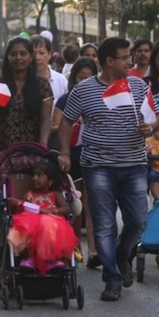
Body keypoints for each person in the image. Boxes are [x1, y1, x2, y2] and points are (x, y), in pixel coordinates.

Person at [57, 37, 159, 302]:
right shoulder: (84, 90)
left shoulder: (138, 86)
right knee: (103, 224)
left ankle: (121, 254)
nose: (131, 61)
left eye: (130, 56)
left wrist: (151, 126)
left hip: (134, 164)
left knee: (138, 221)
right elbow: (66, 121)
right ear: (109, 61)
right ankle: (112, 278)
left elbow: (156, 118)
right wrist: (66, 153)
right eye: (125, 57)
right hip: (98, 166)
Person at [0, 37, 53, 267]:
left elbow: (45, 120)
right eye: (14, 54)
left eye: (23, 54)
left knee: (29, 206)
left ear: (31, 57)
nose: (18, 58)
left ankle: (27, 255)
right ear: (7, 57)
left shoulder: (41, 85)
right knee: (4, 206)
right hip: (0, 154)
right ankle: (2, 259)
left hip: (31, 155)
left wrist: (41, 150)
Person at [52, 57, 98, 267]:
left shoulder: (100, 99)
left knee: (91, 206)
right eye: (81, 78)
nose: (84, 83)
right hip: (71, 156)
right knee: (75, 204)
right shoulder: (65, 100)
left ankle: (94, 251)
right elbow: (56, 126)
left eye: (89, 78)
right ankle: (74, 246)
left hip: (92, 154)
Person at [6, 159, 76, 277]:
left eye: (40, 175)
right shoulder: (28, 195)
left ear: (50, 180)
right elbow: (21, 211)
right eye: (33, 175)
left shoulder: (55, 194)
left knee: (49, 225)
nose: (34, 178)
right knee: (25, 227)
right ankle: (30, 259)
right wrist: (18, 203)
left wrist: (52, 211)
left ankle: (52, 259)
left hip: (51, 221)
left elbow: (66, 208)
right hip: (32, 221)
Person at [31, 35, 69, 103]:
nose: (37, 58)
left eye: (41, 53)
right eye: (33, 53)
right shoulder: (22, 80)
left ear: (49, 55)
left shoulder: (61, 80)